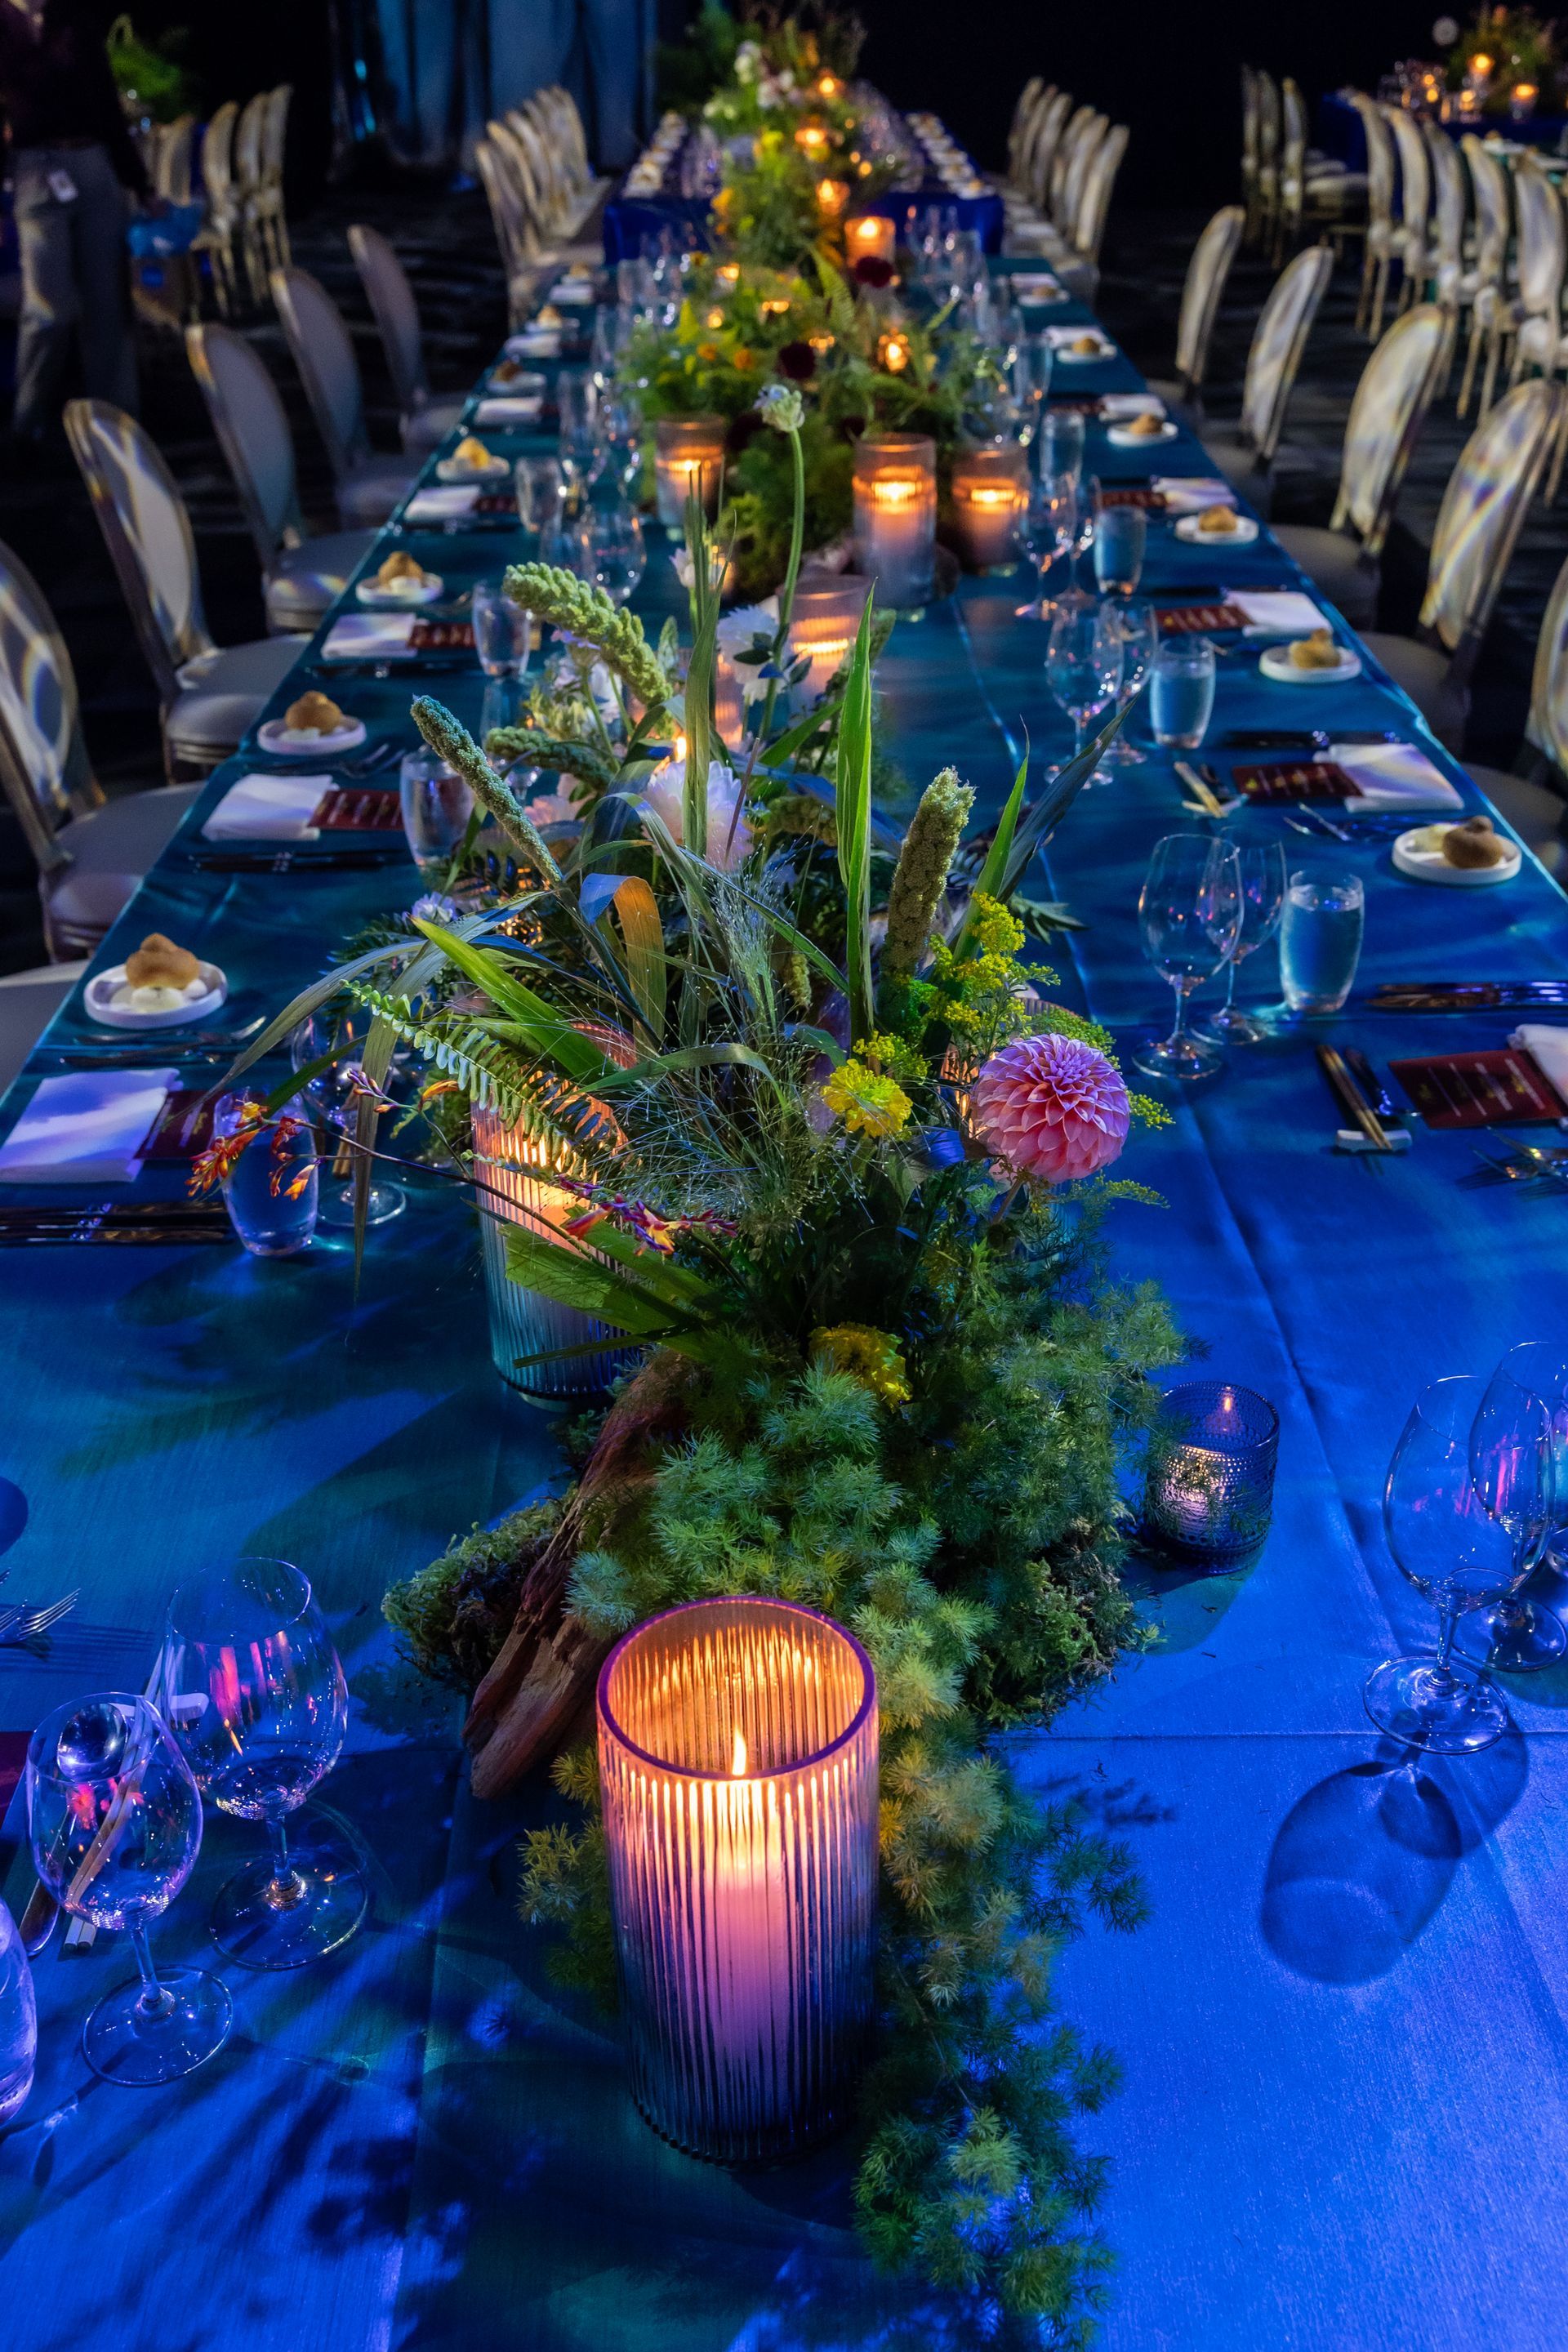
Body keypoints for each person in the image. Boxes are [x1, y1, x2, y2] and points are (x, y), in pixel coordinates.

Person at [0, 0, 150, 445]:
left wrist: (140, 183)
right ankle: (29, 419)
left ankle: (119, 426)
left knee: (108, 303)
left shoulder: (74, 16)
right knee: (48, 308)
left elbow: (104, 100)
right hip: (34, 171)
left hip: (90, 162)